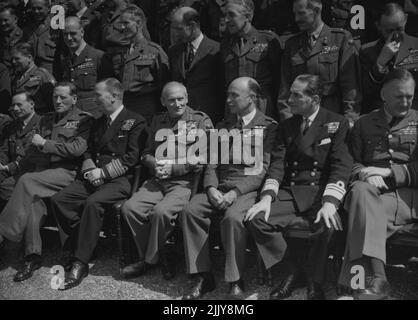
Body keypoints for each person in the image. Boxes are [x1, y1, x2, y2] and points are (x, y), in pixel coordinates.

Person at [245, 74, 353, 300]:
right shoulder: (287, 125)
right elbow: (277, 165)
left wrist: (330, 203)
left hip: (320, 192)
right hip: (292, 190)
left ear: (314, 99)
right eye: (290, 92)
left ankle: (316, 280)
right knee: (257, 219)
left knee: (329, 225)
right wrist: (266, 198)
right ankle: (293, 270)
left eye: (296, 94)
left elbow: (341, 166)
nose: (288, 99)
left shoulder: (337, 123)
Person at [180, 77, 277, 300]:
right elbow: (212, 163)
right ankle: (203, 276)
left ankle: (235, 279)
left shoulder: (269, 127)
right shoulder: (223, 126)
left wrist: (235, 193)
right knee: (190, 211)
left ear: (251, 98)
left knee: (232, 218)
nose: (228, 100)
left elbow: (262, 170)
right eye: (228, 94)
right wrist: (211, 188)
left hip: (247, 189)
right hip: (219, 185)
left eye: (234, 95)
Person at [50, 78, 147, 290]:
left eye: (98, 95)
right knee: (60, 200)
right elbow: (87, 150)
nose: (94, 99)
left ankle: (80, 262)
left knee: (93, 203)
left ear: (114, 96)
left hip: (119, 179)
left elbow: (131, 159)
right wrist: (89, 169)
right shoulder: (98, 122)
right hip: (93, 174)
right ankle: (82, 245)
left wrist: (102, 173)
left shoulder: (135, 120)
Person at [0, 82, 93, 283]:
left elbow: (77, 149)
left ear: (74, 99)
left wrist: (46, 144)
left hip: (68, 171)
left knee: (26, 181)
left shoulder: (83, 120)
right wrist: (10, 168)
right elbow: (33, 152)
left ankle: (3, 234)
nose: (57, 101)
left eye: (63, 97)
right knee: (34, 203)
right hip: (44, 172)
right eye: (54, 97)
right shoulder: (47, 119)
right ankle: (32, 257)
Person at [120, 81, 213, 281]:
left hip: (184, 182)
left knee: (161, 213)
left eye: (181, 99)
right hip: (158, 180)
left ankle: (148, 260)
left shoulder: (199, 121)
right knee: (130, 209)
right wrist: (153, 164)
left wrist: (173, 168)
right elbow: (146, 153)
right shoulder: (157, 121)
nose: (177, 104)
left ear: (187, 98)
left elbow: (202, 159)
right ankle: (162, 254)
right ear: (163, 101)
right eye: (172, 100)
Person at [339, 69, 418, 300]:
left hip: (408, 198)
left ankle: (357, 281)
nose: (405, 102)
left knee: (359, 214)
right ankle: (379, 280)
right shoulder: (364, 123)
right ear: (384, 94)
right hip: (373, 197)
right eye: (399, 96)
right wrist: (363, 173)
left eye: (410, 96)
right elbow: (349, 162)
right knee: (360, 192)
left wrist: (389, 172)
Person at [278, 0, 361, 126]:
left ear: (316, 11)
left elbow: (350, 85)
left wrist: (350, 119)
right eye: (295, 14)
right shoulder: (292, 45)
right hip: (300, 121)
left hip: (331, 118)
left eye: (301, 13)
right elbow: (285, 89)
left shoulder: (340, 39)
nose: (296, 19)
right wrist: (287, 121)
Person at [107, 4, 169, 123]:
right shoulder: (121, 52)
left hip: (146, 110)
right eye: (121, 23)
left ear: (139, 23)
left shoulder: (154, 51)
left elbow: (164, 84)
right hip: (124, 108)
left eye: (126, 23)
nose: (122, 27)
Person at [220, 0, 282, 118]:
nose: (227, 20)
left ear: (247, 16)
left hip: (260, 107)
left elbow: (279, 80)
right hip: (233, 110)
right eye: (225, 15)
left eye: (231, 15)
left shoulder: (267, 40)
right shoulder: (225, 45)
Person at [360, 3, 418, 114]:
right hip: (381, 115)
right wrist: (381, 62)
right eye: (389, 31)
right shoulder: (367, 51)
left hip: (413, 114)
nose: (395, 35)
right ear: (378, 26)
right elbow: (366, 92)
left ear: (405, 19)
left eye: (399, 29)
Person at [169, 7, 223, 124]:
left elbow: (221, 87)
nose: (175, 34)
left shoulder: (216, 50)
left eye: (179, 29)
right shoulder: (174, 51)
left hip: (209, 118)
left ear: (192, 26)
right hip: (181, 118)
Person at [54, 16, 114, 118]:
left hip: (94, 115)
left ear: (82, 32)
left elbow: (110, 91)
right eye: (65, 34)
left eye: (73, 33)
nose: (69, 38)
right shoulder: (64, 61)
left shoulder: (99, 57)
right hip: (71, 115)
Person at [0, 92, 41, 207]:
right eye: (13, 105)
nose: (15, 109)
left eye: (19, 105)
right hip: (9, 167)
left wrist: (8, 167)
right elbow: (5, 150)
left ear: (31, 104)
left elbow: (33, 156)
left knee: (5, 188)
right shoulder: (12, 125)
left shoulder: (42, 124)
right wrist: (1, 162)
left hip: (29, 169)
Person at [10, 42, 55, 115]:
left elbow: (52, 102)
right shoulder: (16, 78)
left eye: (17, 58)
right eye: (12, 59)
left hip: (40, 120)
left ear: (29, 57)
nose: (13, 62)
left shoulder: (42, 75)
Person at [24, 0, 62, 74]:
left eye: (39, 8)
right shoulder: (27, 30)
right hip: (32, 74)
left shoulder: (58, 28)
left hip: (53, 73)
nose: (36, 11)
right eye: (33, 8)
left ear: (48, 8)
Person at [0, 5, 23, 72]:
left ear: (15, 19)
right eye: (0, 20)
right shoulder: (2, 36)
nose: (2, 23)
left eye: (6, 20)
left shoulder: (23, 36)